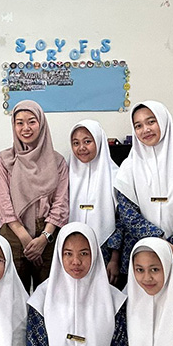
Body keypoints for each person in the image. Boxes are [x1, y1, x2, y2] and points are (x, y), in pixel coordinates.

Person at [108, 101, 173, 281]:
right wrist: (165, 246)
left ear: (164, 121)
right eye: (138, 125)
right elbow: (128, 215)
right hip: (140, 252)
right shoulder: (128, 168)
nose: (145, 129)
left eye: (151, 122)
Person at [0, 100, 69, 290]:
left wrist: (43, 238)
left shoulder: (58, 162)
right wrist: (26, 239)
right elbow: (4, 203)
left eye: (32, 121)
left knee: (48, 294)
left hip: (48, 233)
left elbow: (60, 203)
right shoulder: (4, 160)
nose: (25, 128)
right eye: (19, 122)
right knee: (14, 294)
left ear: (41, 124)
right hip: (14, 232)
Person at [68, 120, 122, 285]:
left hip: (105, 250)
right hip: (72, 252)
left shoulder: (116, 176)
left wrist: (114, 259)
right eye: (76, 143)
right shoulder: (67, 174)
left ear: (99, 141)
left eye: (87, 141)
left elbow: (120, 221)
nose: (81, 148)